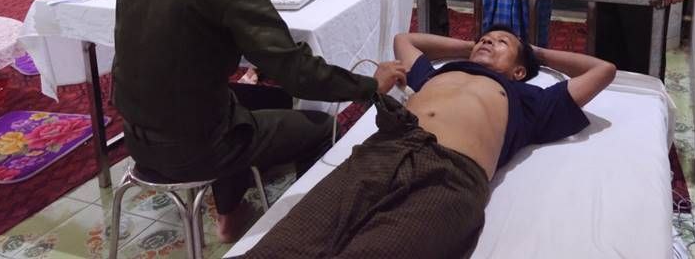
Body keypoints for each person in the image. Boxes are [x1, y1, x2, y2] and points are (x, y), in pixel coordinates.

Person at [112, 0, 405, 242]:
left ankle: (231, 213)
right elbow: (297, 73)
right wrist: (370, 85)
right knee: (322, 125)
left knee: (250, 99)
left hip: (137, 139)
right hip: (195, 147)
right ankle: (308, 234)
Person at [244, 27, 616, 258]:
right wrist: (471, 47)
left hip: (449, 175)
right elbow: (404, 40)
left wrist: (536, 52)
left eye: (501, 42)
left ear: (520, 71)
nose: (489, 40)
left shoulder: (530, 99)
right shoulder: (440, 72)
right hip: (382, 150)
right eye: (486, 37)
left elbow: (603, 70)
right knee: (287, 243)